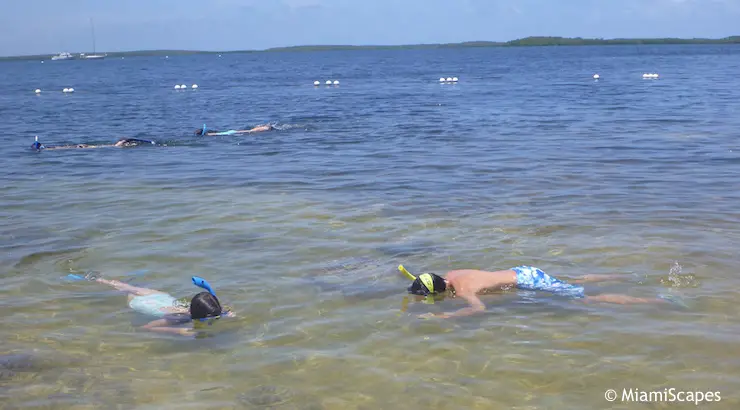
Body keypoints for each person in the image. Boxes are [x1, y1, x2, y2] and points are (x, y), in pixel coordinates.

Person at [400, 265, 686, 319]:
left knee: (587, 299)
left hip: (529, 282)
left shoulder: (462, 290)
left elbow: (478, 309)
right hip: (523, 269)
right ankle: (627, 274)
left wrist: (446, 318)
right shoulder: (453, 274)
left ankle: (658, 299)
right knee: (572, 280)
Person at [78, 272, 233, 336]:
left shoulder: (210, 309)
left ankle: (96, 278)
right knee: (126, 291)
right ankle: (89, 279)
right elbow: (146, 328)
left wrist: (226, 315)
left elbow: (217, 312)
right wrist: (178, 332)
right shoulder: (177, 319)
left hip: (161, 297)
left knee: (126, 286)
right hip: (142, 303)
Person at [31, 136, 156, 151]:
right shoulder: (112, 146)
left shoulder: (113, 146)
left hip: (83, 147)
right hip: (83, 146)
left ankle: (44, 148)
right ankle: (44, 148)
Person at [195, 123, 273, 136]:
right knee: (250, 131)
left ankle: (265, 128)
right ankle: (265, 128)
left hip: (231, 133)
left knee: (250, 131)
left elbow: (213, 134)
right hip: (230, 132)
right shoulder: (208, 133)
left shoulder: (208, 134)